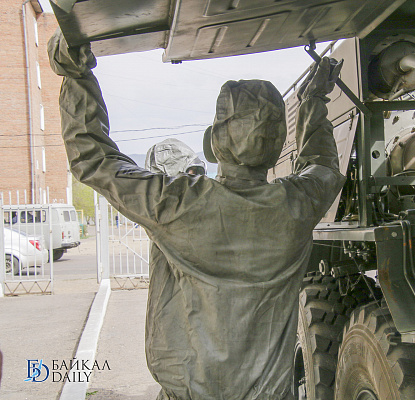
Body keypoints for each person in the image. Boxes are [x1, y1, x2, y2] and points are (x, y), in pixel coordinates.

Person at [48, 30, 344, 400]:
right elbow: (322, 164)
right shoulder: (297, 205)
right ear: (276, 143)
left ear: (216, 141)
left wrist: (75, 73)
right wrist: (313, 101)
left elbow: (93, 158)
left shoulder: (176, 203)